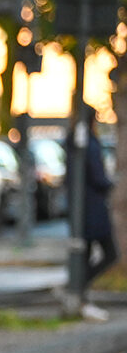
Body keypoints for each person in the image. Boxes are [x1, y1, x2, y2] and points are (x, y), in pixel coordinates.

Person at [69, 103, 118, 321]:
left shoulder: (74, 141)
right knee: (110, 253)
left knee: (86, 254)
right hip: (93, 208)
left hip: (81, 208)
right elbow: (97, 177)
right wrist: (110, 184)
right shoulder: (88, 143)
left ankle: (80, 295)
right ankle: (77, 290)